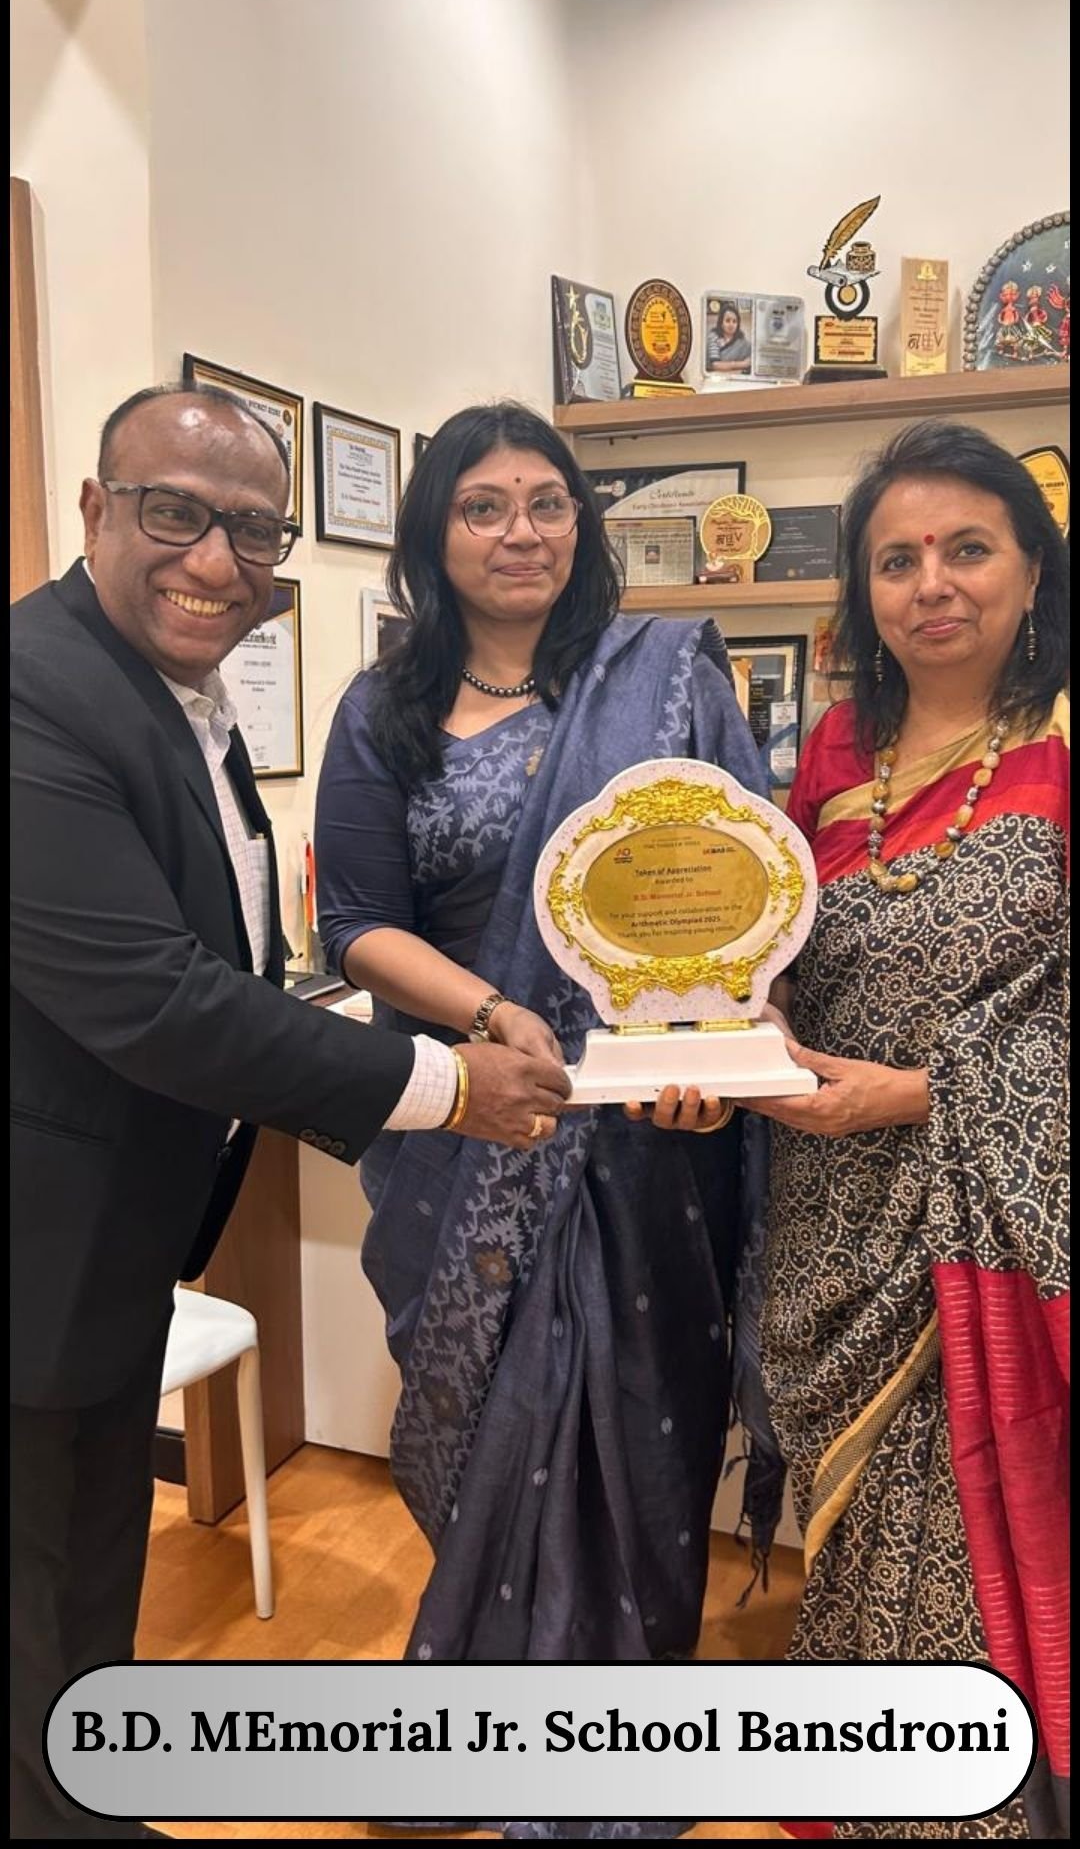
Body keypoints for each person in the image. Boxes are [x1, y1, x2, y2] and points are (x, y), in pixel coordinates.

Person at [10, 384, 571, 1843]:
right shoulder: (31, 688)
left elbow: (227, 960)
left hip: (106, 1243)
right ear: (95, 510)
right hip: (32, 1245)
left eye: (254, 531)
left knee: (82, 1575)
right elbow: (158, 998)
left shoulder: (172, 698)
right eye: (175, 514)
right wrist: (449, 1083)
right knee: (31, 1592)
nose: (218, 560)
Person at [653, 420, 1070, 1842]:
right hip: (828, 1210)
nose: (931, 584)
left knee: (962, 1527)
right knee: (858, 1534)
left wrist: (924, 1094)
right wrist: (722, 1043)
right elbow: (764, 950)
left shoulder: (1062, 736)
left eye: (968, 550)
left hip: (997, 1224)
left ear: (1033, 570)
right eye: (897, 560)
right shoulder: (838, 750)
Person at [314, 401, 771, 1695]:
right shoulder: (383, 709)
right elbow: (356, 925)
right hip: (475, 1117)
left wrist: (721, 1056)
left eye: (547, 502)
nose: (520, 532)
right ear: (433, 534)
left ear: (581, 521)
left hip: (647, 1135)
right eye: (483, 507)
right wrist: (490, 1016)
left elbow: (747, 889)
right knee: (479, 1430)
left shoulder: (666, 677)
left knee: (643, 1426)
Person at [705, 299, 752, 374]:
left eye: (734, 321)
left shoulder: (742, 341)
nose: (731, 324)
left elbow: (752, 359)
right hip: (715, 376)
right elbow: (715, 365)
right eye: (727, 320)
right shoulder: (713, 336)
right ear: (721, 323)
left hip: (736, 376)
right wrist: (743, 364)